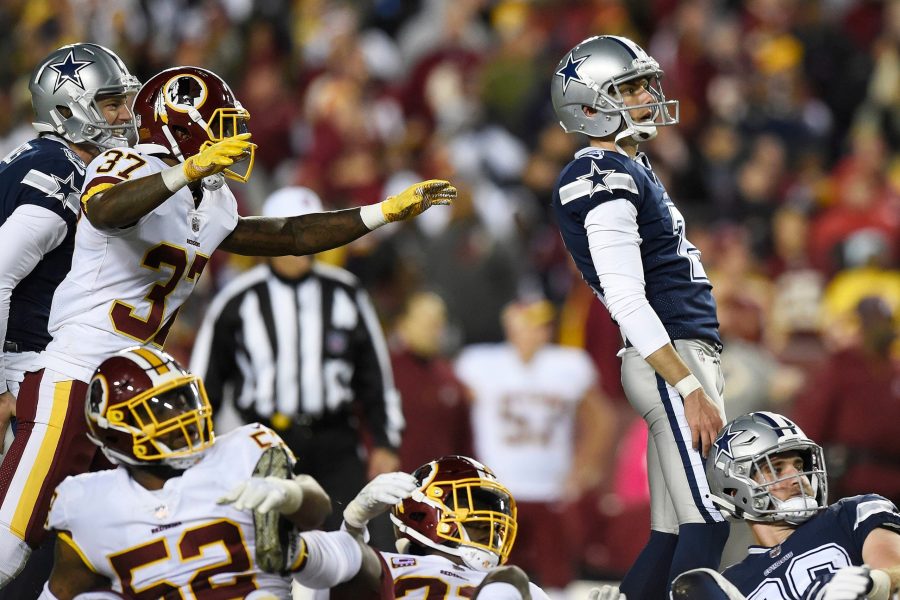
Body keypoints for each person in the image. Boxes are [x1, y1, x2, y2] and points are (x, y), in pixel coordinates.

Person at [0, 64, 455, 587]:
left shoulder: (213, 199)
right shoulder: (123, 162)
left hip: (132, 394)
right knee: (12, 540)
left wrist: (380, 214)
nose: (232, 139)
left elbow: (286, 235)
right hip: (74, 374)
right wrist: (184, 172)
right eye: (218, 125)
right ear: (182, 129)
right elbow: (105, 210)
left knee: (111, 550)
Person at [549, 34, 728, 597]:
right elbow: (626, 299)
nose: (648, 97)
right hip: (669, 358)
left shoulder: (628, 165)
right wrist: (688, 385)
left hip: (675, 355)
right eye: (628, 88)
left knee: (672, 533)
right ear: (588, 102)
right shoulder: (599, 173)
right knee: (711, 517)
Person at [190, 185, 403, 548]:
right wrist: (200, 447)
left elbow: (374, 375)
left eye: (309, 229)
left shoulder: (346, 292)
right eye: (289, 229)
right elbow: (204, 380)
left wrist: (385, 441)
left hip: (335, 438)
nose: (300, 244)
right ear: (267, 237)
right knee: (262, 546)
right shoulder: (237, 300)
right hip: (265, 439)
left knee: (361, 544)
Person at [0, 42, 140, 595]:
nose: (124, 116)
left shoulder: (50, 161)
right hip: (28, 374)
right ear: (67, 109)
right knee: (25, 544)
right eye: (110, 105)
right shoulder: (58, 173)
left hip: (43, 372)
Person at [40, 346, 332, 599]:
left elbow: (318, 511)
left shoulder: (243, 451)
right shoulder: (88, 506)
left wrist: (290, 493)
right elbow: (62, 592)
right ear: (116, 431)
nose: (182, 415)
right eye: (159, 409)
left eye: (182, 399)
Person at [455, 299, 614, 593]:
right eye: (527, 325)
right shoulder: (479, 363)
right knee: (492, 579)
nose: (534, 333)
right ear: (510, 327)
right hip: (496, 491)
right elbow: (451, 418)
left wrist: (585, 467)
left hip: (551, 489)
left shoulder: (568, 365)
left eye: (540, 326)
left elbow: (602, 418)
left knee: (557, 580)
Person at [291, 454, 552, 599]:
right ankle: (289, 550)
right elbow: (334, 584)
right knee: (360, 562)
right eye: (477, 513)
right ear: (425, 511)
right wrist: (355, 523)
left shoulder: (514, 587)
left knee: (509, 580)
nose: (492, 526)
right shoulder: (382, 564)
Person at [703, 411, 900, 599]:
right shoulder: (730, 587)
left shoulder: (851, 514)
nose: (798, 477)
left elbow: (895, 570)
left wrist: (874, 586)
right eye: (777, 469)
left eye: (798, 465)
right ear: (734, 490)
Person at [389, 290, 472, 472]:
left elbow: (464, 440)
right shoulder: (384, 372)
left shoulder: (450, 378)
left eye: (437, 322)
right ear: (403, 324)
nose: (432, 329)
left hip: (441, 489)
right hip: (392, 486)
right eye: (425, 321)